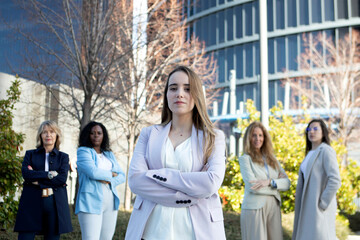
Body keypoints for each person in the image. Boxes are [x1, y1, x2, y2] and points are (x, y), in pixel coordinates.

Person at [125, 66, 227, 240]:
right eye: (173, 88)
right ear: (166, 94)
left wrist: (159, 176)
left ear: (197, 95)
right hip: (150, 231)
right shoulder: (148, 134)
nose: (179, 93)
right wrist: (191, 189)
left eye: (187, 89)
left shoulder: (214, 137)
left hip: (197, 231)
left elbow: (210, 183)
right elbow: (136, 181)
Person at [14, 120, 73, 240]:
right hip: (31, 202)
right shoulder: (30, 155)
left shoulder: (63, 157)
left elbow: (61, 179)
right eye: (44, 132)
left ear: (57, 135)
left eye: (52, 132)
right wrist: (49, 175)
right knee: (25, 237)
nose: (48, 135)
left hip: (54, 203)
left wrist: (36, 179)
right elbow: (26, 174)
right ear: (40, 135)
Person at [239, 121, 290, 240]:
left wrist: (269, 182)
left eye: (260, 135)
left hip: (274, 207)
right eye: (254, 135)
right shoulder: (245, 159)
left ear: (265, 138)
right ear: (248, 138)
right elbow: (254, 188)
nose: (258, 138)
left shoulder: (273, 160)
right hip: (254, 208)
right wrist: (277, 186)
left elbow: (287, 183)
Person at [75, 121, 125, 240]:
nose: (96, 135)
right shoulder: (83, 151)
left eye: (99, 133)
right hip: (90, 201)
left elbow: (122, 176)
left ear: (104, 135)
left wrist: (108, 179)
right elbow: (93, 172)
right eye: (92, 133)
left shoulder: (109, 154)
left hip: (111, 201)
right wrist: (111, 175)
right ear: (87, 135)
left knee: (106, 238)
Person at [292, 119, 341, 240]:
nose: (311, 132)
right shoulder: (310, 153)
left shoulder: (326, 150)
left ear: (323, 133)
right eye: (309, 129)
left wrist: (323, 202)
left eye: (315, 129)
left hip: (318, 208)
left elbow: (335, 179)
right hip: (307, 207)